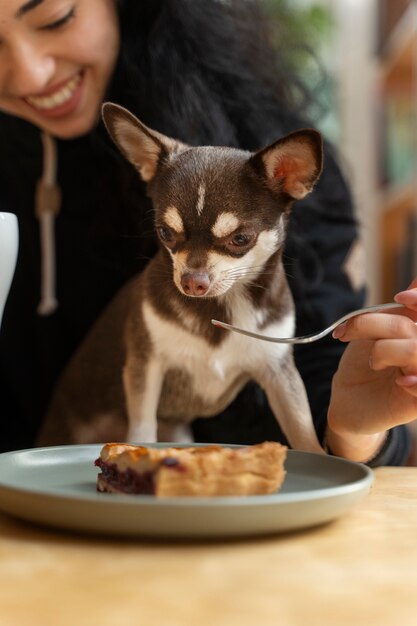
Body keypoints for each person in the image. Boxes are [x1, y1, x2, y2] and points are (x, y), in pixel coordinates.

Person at [0, 0, 415, 465]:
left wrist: (353, 430)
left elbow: (320, 379)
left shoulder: (275, 165)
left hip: (232, 504)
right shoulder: (154, 166)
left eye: (54, 19)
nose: (29, 74)